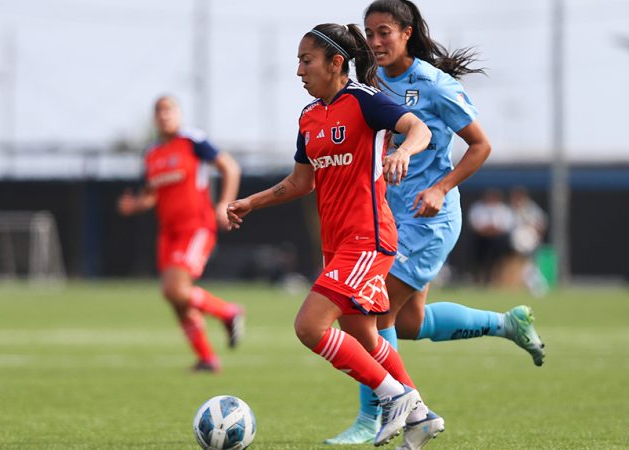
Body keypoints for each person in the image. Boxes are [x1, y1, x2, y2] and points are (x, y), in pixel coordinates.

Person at [325, 1, 546, 447]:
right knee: (407, 324)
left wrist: (440, 188)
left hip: (429, 219)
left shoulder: (433, 84)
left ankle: (377, 415)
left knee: (371, 309)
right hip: (389, 217)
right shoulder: (371, 80)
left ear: (407, 33)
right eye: (370, 33)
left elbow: (481, 146)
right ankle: (507, 323)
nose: (376, 41)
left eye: (384, 31)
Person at [226, 23, 437, 447]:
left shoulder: (365, 101)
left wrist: (401, 150)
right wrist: (254, 201)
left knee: (309, 326)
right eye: (298, 62)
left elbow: (420, 130)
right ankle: (421, 416)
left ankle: (394, 397)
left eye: (307, 61)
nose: (299, 71)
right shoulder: (308, 117)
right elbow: (301, 182)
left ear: (336, 62)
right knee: (363, 335)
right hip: (338, 244)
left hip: (368, 238)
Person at [118, 96, 245, 373]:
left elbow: (231, 167)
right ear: (154, 118)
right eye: (159, 112)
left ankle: (227, 312)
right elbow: (150, 196)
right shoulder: (152, 154)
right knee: (175, 298)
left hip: (196, 227)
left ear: (178, 114)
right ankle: (207, 359)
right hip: (168, 233)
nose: (164, 116)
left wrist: (224, 204)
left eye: (169, 110)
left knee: (175, 289)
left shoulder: (193, 141)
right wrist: (135, 205)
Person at [468, 188, 514, 284]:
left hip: (498, 240)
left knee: (500, 248)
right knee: (479, 252)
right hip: (481, 239)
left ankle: (496, 277)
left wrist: (495, 230)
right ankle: (478, 277)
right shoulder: (478, 207)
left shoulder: (503, 209)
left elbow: (507, 225)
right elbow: (474, 224)